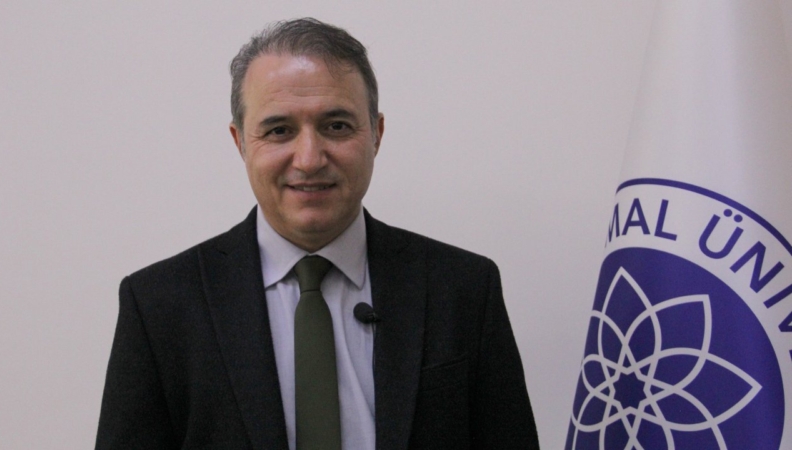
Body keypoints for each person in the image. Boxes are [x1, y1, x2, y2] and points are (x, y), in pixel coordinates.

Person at [96, 18, 539, 450]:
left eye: (336, 126)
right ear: (240, 142)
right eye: (279, 130)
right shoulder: (158, 306)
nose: (309, 159)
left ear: (377, 134)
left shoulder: (464, 288)